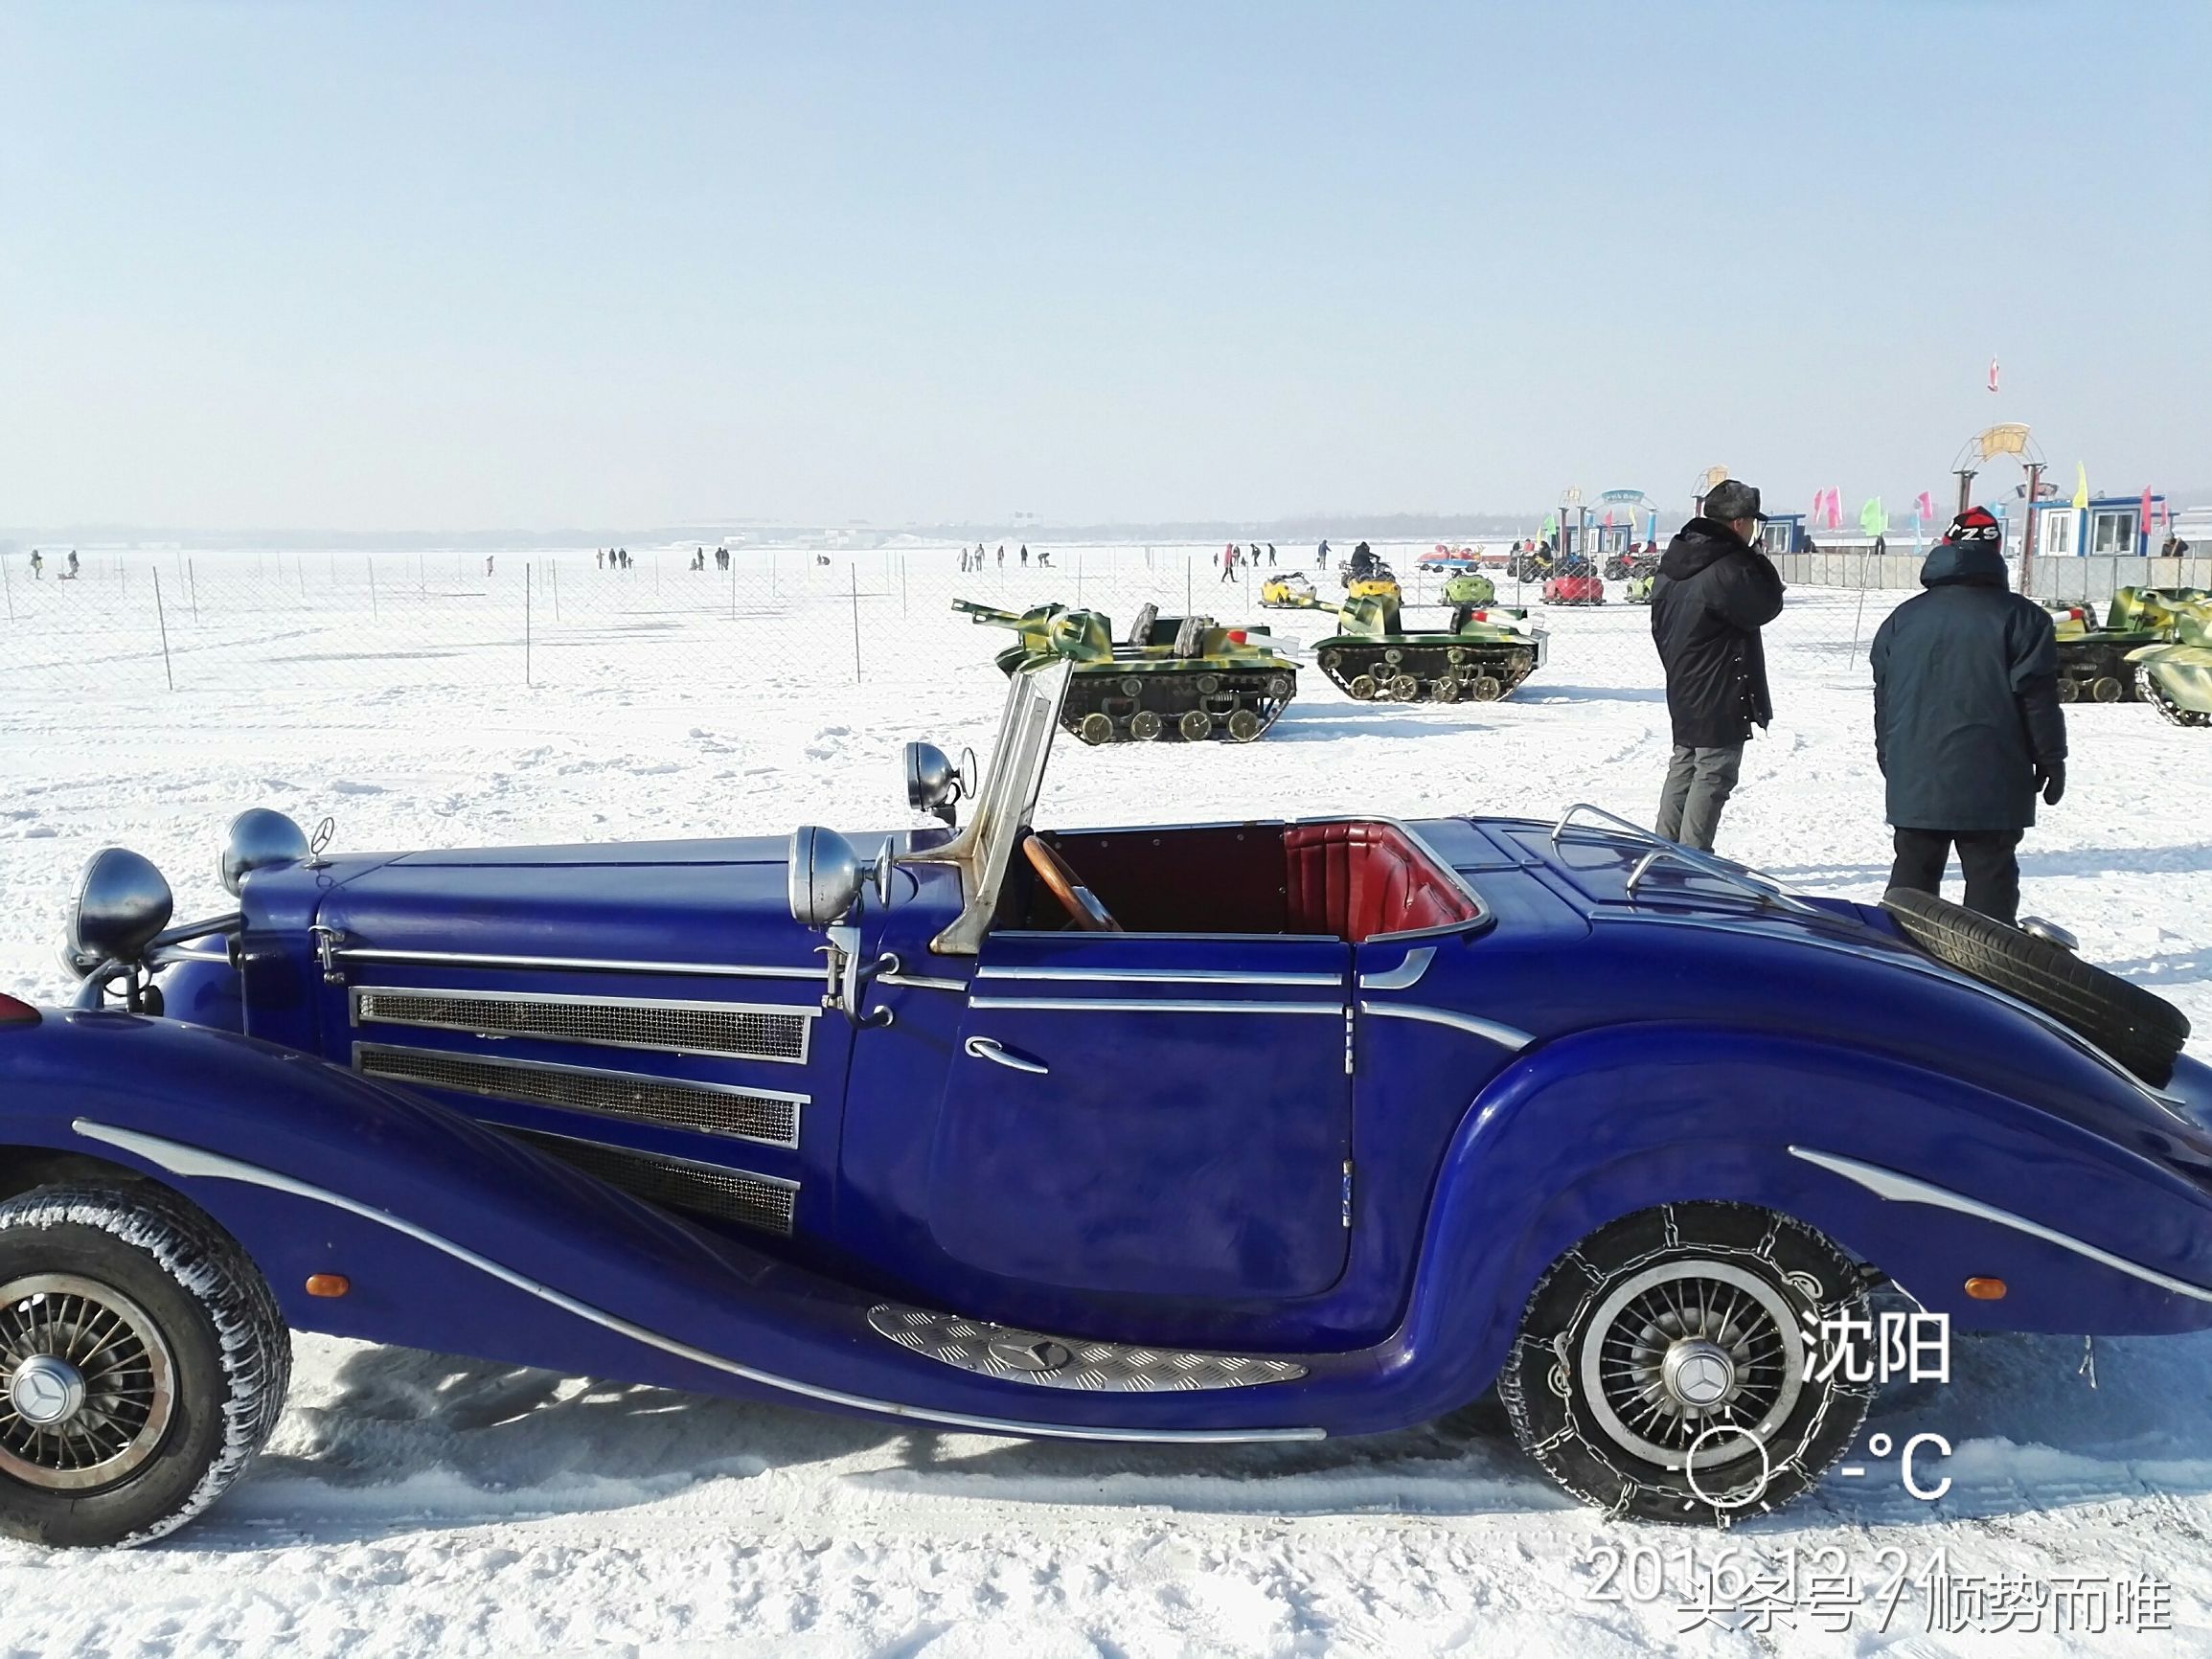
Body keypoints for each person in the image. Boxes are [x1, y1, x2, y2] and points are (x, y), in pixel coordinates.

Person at [1870, 507, 2066, 923]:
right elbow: (2037, 699)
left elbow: (1885, 698)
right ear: (1996, 550)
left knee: (1912, 879)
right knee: (1990, 880)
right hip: (1994, 775)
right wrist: (2051, 757)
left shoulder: (1902, 619)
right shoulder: (2024, 617)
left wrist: (1890, 756)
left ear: (1945, 545)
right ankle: (1983, 972)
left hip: (1918, 775)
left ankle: (1901, 965)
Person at [1650, 479, 1785, 852]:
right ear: (1739, 523)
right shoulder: (1730, 564)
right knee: (1713, 770)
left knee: (1686, 762)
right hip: (1721, 682)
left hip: (1684, 680)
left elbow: (1658, 625)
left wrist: (1680, 666)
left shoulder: (1674, 560)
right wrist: (1758, 559)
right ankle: (1694, 858)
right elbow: (1766, 605)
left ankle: (1665, 850)